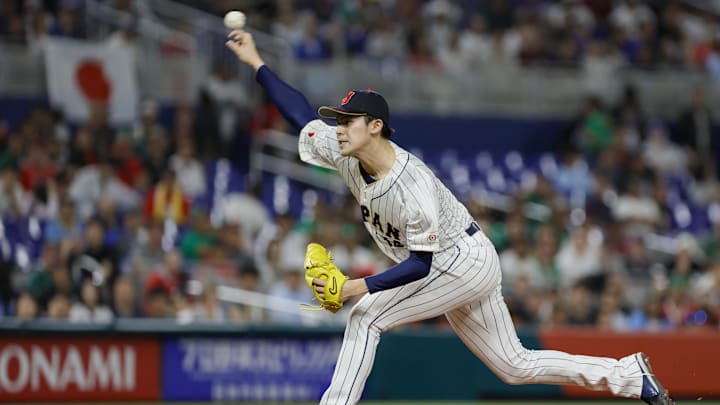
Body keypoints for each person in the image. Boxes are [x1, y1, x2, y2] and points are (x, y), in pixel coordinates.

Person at [225, 30, 674, 405]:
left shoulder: (411, 185)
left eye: (348, 120)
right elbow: (299, 114)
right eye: (338, 121)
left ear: (375, 126)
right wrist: (257, 62)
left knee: (366, 316)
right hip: (450, 261)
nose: (338, 128)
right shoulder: (343, 150)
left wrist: (355, 287)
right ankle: (631, 377)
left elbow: (421, 264)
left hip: (458, 260)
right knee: (514, 365)